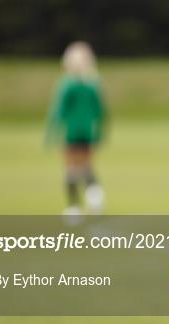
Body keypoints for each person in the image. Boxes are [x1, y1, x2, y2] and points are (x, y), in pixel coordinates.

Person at [46, 41, 106, 215]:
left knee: (71, 169)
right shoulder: (92, 84)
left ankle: (74, 206)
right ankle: (95, 199)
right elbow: (100, 112)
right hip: (87, 132)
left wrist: (52, 134)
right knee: (86, 166)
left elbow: (59, 111)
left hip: (72, 132)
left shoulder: (67, 84)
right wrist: (99, 133)